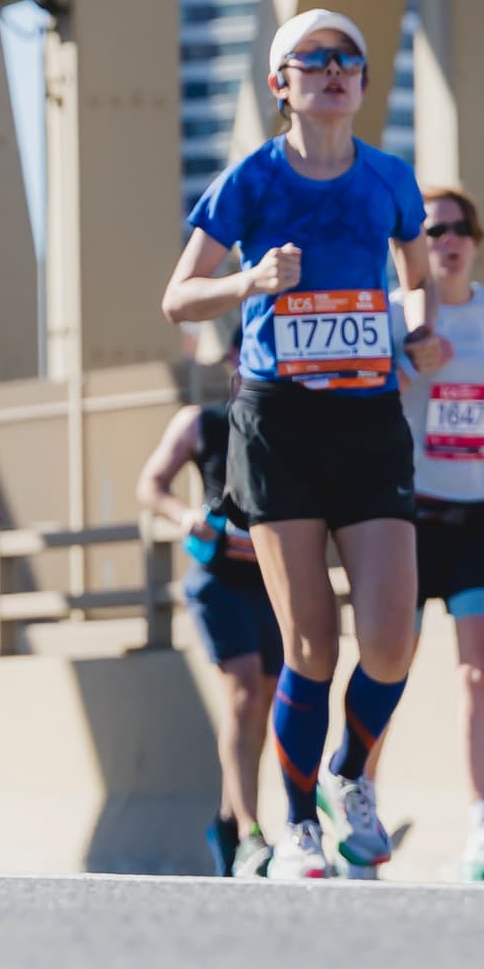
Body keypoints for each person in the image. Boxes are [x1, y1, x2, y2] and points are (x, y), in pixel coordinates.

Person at [160, 7, 439, 882]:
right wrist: (251, 279)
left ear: (361, 82)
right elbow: (179, 297)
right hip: (278, 418)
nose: (332, 70)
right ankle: (296, 828)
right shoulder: (251, 181)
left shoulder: (390, 179)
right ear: (281, 85)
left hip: (367, 416)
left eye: (347, 59)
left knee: (392, 637)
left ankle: (350, 776)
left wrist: (418, 333)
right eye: (310, 60)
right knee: (310, 643)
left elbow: (418, 279)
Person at [397, 187, 484, 881]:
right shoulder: (399, 316)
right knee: (384, 668)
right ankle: (354, 802)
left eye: (458, 229)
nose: (447, 241)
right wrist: (405, 363)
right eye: (432, 231)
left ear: (475, 240)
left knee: (481, 671)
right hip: (411, 516)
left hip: (481, 510)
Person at [142, 348, 281, 877]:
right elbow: (150, 484)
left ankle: (228, 819)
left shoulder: (290, 425)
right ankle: (250, 832)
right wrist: (185, 517)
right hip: (218, 582)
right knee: (243, 689)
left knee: (263, 704)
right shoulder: (202, 423)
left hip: (270, 583)